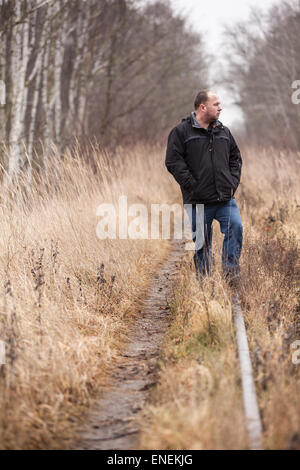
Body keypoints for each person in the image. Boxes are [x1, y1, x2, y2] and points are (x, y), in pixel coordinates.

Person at [165, 89, 243, 283]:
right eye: (216, 104)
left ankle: (230, 273)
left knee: (236, 227)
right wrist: (192, 185)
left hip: (225, 198)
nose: (220, 107)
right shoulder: (181, 132)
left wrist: (232, 183)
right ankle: (205, 284)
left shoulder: (223, 131)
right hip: (197, 202)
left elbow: (236, 158)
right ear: (203, 107)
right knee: (201, 245)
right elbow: (173, 162)